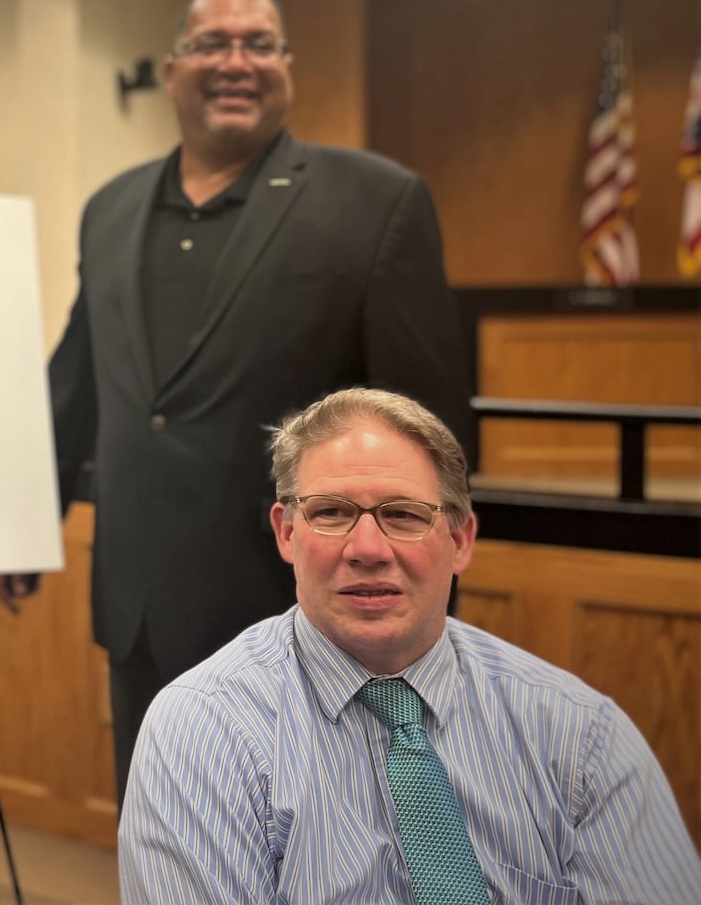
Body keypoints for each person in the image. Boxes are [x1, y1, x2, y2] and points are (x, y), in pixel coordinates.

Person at [0, 0, 475, 800]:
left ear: (288, 66)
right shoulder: (108, 210)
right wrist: (22, 521)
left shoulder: (375, 201)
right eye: (213, 43)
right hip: (138, 611)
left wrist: (418, 606)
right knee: (162, 845)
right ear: (174, 70)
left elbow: (431, 433)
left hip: (304, 621)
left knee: (316, 863)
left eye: (259, 43)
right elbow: (77, 379)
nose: (236, 61)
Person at [119, 387, 701, 903]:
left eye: (402, 515)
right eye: (332, 513)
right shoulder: (202, 732)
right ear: (287, 534)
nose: (367, 547)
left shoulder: (580, 734)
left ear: (460, 540)